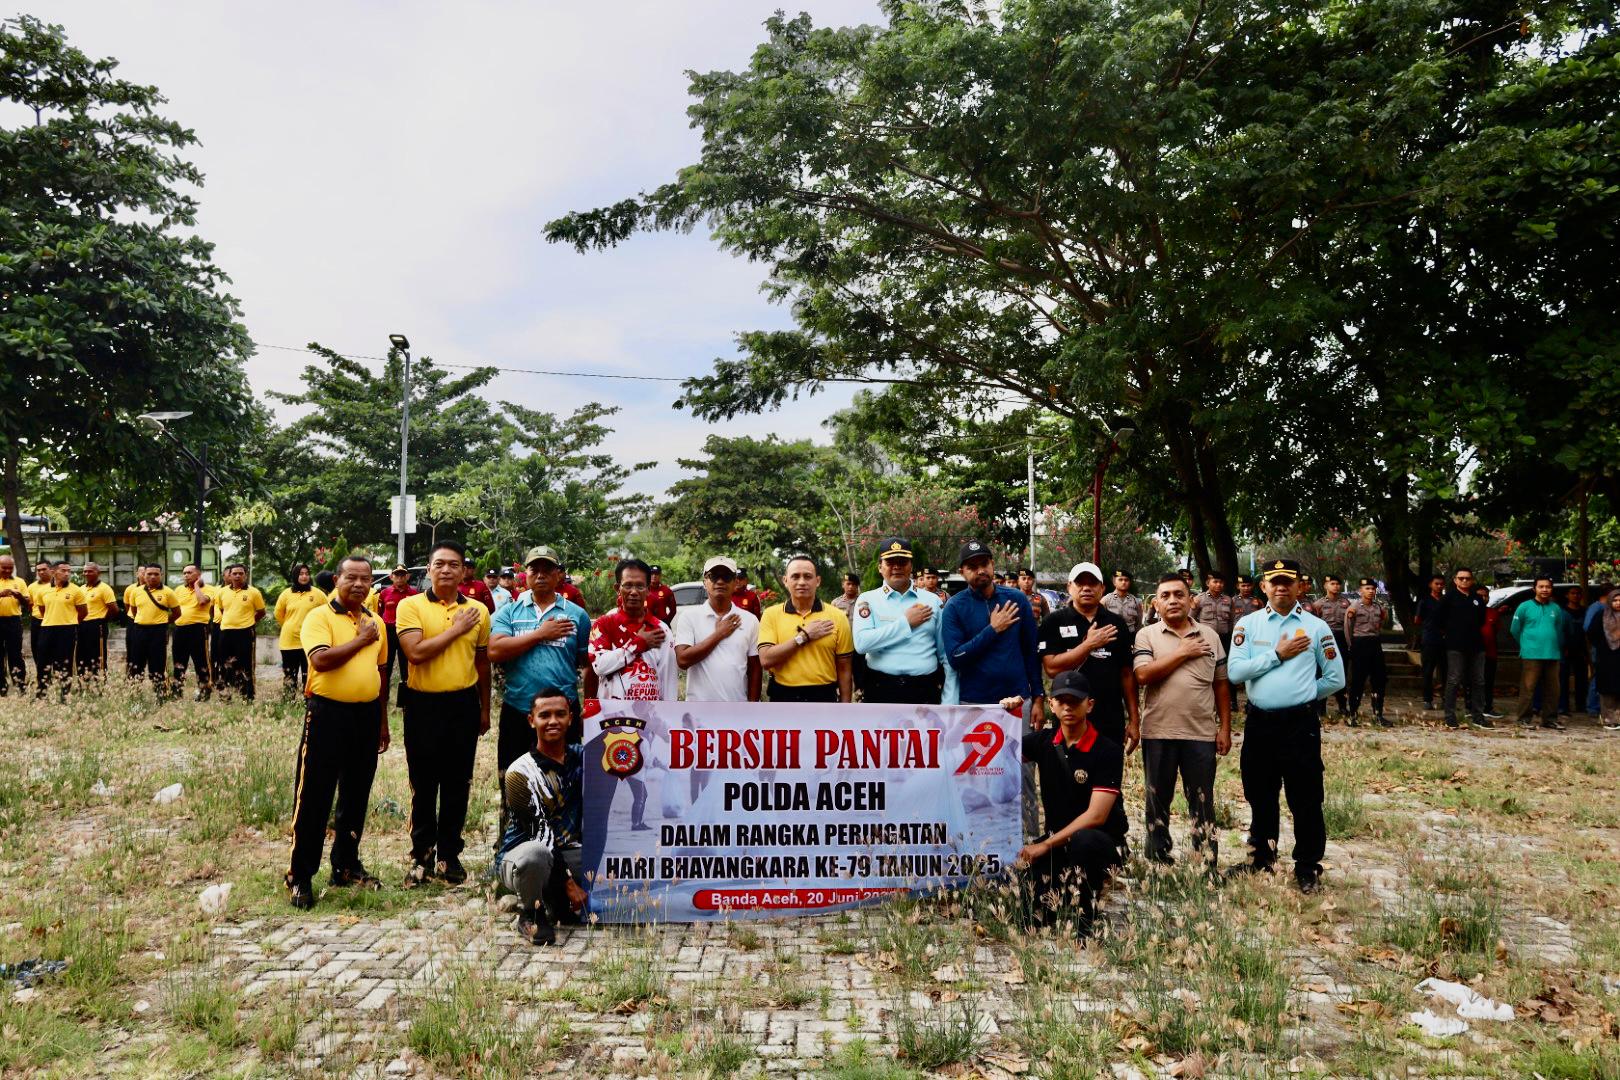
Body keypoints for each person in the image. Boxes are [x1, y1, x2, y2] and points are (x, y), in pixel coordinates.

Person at [1227, 559, 1345, 891]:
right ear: (1263, 586)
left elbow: (1335, 678)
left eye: (1288, 581)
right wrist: (1277, 655)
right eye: (1274, 581)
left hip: (1299, 725)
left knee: (1306, 796)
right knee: (1259, 792)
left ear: (1300, 587)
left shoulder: (1316, 627)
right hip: (1260, 723)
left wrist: (1304, 695)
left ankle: (1307, 866)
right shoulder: (1247, 625)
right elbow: (1236, 673)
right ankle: (1262, 858)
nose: (1281, 587)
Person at [285, 554, 390, 909]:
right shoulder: (319, 617)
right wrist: (360, 639)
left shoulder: (375, 621)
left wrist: (382, 722)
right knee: (314, 796)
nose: (359, 584)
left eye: (366, 579)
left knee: (356, 794)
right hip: (327, 714)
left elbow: (381, 672)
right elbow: (321, 660)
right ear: (336, 580)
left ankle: (346, 865)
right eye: (351, 578)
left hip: (366, 716)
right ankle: (299, 876)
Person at [395, 541, 493, 887]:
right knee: (423, 783)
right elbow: (416, 653)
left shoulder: (479, 610)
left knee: (457, 783)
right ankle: (421, 855)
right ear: (429, 570)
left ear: (464, 570)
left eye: (454, 564)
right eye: (439, 564)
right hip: (422, 704)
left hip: (463, 704)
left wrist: (485, 708)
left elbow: (482, 662)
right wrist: (456, 630)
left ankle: (449, 855)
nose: (447, 570)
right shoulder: (410, 606)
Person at [1013, 671, 1127, 933]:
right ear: (1051, 705)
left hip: (1096, 843)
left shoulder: (1107, 750)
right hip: (1057, 843)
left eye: (1074, 701)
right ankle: (1064, 895)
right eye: (1061, 701)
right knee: (1029, 918)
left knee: (1083, 841)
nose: (1067, 707)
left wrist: (1044, 845)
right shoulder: (1043, 741)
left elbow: (1096, 816)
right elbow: (998, 747)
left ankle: (1087, 916)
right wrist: (1006, 715)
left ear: (1089, 705)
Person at [1130, 574, 1231, 868]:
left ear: (1190, 600)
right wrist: (1183, 652)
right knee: (1157, 799)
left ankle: (1206, 859)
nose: (1172, 600)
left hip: (1200, 733)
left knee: (1202, 800)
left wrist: (1225, 728)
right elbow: (1143, 675)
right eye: (1165, 596)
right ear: (1156, 604)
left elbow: (1221, 685)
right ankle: (1158, 858)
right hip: (1158, 731)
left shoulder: (1210, 636)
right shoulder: (1146, 635)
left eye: (1179, 594)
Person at [489, 545, 592, 833]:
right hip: (519, 709)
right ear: (525, 575)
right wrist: (540, 634)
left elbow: (586, 663)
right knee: (513, 778)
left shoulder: (576, 615)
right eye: (535, 569)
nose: (541, 575)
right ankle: (512, 841)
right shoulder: (509, 612)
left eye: (548, 569)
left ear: (559, 575)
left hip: (563, 712)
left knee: (567, 780)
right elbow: (495, 650)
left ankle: (565, 841)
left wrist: (587, 705)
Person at [496, 688, 587, 946]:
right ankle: (531, 913)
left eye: (560, 714)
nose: (553, 721)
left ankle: (556, 901)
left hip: (569, 852)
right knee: (536, 855)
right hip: (523, 855)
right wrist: (569, 883)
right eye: (544, 715)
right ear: (531, 720)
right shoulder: (519, 772)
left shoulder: (584, 756)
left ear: (571, 718)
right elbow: (540, 834)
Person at [941, 541, 1045, 730]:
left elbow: (1031, 652)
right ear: (962, 572)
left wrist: (1038, 698)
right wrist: (992, 630)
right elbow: (955, 658)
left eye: (984, 564)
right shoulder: (954, 607)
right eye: (972, 567)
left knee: (1024, 751)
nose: (980, 570)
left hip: (1018, 699)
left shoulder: (1016, 599)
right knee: (975, 751)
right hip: (974, 703)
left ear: (992, 564)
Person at [1038, 561, 1136, 747]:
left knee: (1109, 765)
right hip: (1069, 717)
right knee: (1068, 765)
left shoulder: (1116, 623)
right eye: (1080, 583)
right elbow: (1051, 668)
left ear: (1102, 588)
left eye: (1092, 583)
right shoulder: (1054, 622)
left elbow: (1126, 674)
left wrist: (1134, 720)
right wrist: (1089, 645)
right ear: (1069, 587)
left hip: (1109, 718)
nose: (1086, 588)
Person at [852, 538, 944, 705]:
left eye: (902, 562)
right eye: (890, 562)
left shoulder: (933, 601)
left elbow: (944, 654)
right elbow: (862, 643)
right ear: (880, 567)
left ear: (911, 566)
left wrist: (949, 698)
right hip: (881, 689)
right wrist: (906, 623)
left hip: (924, 689)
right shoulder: (867, 600)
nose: (897, 566)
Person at [758, 555, 854, 703]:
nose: (801, 582)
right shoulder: (771, 614)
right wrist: (803, 637)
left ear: (818, 581)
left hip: (824, 697)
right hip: (783, 696)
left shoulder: (837, 616)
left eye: (808, 576)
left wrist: (845, 707)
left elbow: (844, 668)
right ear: (785, 580)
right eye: (795, 576)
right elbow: (765, 659)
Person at [590, 558, 679, 703]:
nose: (633, 592)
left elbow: (668, 680)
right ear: (617, 588)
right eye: (628, 585)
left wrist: (669, 712)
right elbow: (599, 666)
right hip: (611, 713)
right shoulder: (604, 624)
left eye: (640, 586)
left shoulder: (661, 630)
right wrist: (637, 645)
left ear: (648, 590)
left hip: (650, 712)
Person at [674, 556, 761, 703]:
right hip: (698, 708)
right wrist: (719, 634)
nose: (720, 581)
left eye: (726, 577)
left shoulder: (749, 620)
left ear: (735, 582)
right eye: (714, 576)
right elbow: (682, 660)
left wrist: (752, 707)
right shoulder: (689, 617)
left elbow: (755, 669)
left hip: (737, 707)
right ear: (705, 582)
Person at [1433, 568, 1489, 730]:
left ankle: (1478, 715)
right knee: (1454, 679)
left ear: (1472, 580)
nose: (1464, 581)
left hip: (1476, 645)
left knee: (1479, 680)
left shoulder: (1477, 598)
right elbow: (1437, 619)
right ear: (1455, 580)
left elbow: (1481, 620)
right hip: (1455, 645)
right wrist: (1450, 633)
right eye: (1461, 578)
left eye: (1467, 578)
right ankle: (1450, 716)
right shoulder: (1448, 598)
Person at [1511, 576, 1567, 731]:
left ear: (1551, 589)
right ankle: (1523, 719)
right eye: (1541, 586)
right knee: (1528, 688)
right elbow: (1515, 629)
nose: (1544, 589)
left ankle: (1549, 719)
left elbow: (1558, 629)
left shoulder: (1555, 608)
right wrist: (1526, 644)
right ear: (1534, 589)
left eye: (1548, 587)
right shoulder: (1524, 606)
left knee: (1553, 689)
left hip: (1552, 654)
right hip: (1531, 654)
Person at [215, 564, 267, 700]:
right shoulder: (222, 592)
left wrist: (249, 622)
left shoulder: (254, 592)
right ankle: (225, 695)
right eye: (234, 573)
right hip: (226, 632)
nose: (237, 576)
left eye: (240, 573)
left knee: (245, 664)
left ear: (245, 575)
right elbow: (222, 610)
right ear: (230, 575)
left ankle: (247, 696)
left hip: (245, 632)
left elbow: (261, 612)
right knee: (225, 664)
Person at [35, 561, 85, 698]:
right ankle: (41, 693)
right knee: (43, 661)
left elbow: (83, 612)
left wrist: (70, 621)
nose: (67, 573)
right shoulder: (42, 591)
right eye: (63, 570)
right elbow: (42, 610)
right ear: (53, 572)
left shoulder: (76, 590)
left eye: (69, 571)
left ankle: (65, 694)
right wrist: (52, 619)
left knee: (65, 662)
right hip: (47, 628)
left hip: (67, 630)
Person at [1344, 579, 1390, 726]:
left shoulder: (1378, 607)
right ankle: (1352, 714)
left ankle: (1378, 714)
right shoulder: (1354, 608)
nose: (1370, 591)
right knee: (1357, 681)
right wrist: (1351, 647)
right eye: (1367, 588)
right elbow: (1348, 628)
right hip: (1359, 644)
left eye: (1373, 589)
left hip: (1375, 644)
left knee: (1379, 679)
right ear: (1360, 591)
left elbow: (1381, 624)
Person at [275, 564, 327, 696]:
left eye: (306, 574)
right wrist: (290, 625)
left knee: (309, 674)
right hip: (289, 641)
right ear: (295, 576)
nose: (304, 577)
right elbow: (278, 614)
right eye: (301, 574)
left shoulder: (318, 594)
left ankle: (308, 700)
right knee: (289, 674)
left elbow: (327, 613)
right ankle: (289, 699)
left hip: (310, 642)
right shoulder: (286, 594)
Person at [124, 564, 178, 689]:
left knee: (157, 664)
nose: (152, 577)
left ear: (161, 575)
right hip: (139, 631)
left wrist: (163, 622)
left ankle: (160, 693)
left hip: (158, 632)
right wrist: (144, 621)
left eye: (156, 574)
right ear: (144, 575)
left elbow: (177, 613)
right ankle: (134, 692)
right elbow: (134, 611)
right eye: (149, 574)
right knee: (136, 663)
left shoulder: (168, 592)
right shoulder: (136, 591)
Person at [376, 565, 419, 707]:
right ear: (391, 577)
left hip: (406, 632)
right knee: (386, 666)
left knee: (406, 667)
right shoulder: (384, 593)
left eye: (402, 575)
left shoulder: (414, 594)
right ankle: (384, 699)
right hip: (389, 632)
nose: (400, 578)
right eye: (397, 575)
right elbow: (380, 613)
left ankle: (406, 701)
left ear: (407, 576)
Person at [170, 564, 215, 701]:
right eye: (184, 573)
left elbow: (202, 601)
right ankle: (176, 692)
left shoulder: (209, 589)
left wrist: (196, 586)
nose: (186, 575)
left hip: (198, 629)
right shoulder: (178, 590)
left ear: (198, 575)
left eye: (189, 572)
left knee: (201, 662)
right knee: (178, 662)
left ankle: (204, 692)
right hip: (179, 629)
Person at [1311, 576, 1352, 719]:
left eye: (1337, 584)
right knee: (1322, 672)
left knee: (1341, 670)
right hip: (1324, 639)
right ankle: (1320, 708)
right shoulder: (1318, 604)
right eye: (1332, 583)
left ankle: (1342, 706)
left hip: (1341, 639)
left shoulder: (1346, 603)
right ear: (1325, 586)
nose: (1335, 586)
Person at [76, 562, 117, 681]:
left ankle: (99, 683)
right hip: (82, 625)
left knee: (97, 656)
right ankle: (83, 682)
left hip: (97, 626)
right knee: (81, 655)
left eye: (90, 571)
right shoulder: (81, 589)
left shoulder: (104, 588)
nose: (87, 573)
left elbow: (114, 609)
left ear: (98, 573)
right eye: (85, 571)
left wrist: (102, 621)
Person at [1586, 588, 1620, 731]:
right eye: (1615, 600)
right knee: (1607, 688)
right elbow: (1591, 633)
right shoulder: (1601, 615)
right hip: (1606, 657)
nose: (1618, 603)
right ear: (1609, 601)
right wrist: (1603, 645)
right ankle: (1609, 719)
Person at [1414, 575, 1447, 710]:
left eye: (1441, 584)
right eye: (1436, 584)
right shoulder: (1425, 601)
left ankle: (1446, 698)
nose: (1439, 586)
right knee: (1428, 671)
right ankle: (1427, 699)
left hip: (1445, 640)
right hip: (1429, 639)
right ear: (1431, 585)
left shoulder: (1446, 601)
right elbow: (1417, 620)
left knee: (1446, 671)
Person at [0, 555, 27, 694]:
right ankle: (2, 687)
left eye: (10, 568)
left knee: (15, 654)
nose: (7, 570)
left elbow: (27, 603)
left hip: (13, 621)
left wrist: (19, 596)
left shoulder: (19, 582)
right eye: (4, 567)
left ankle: (20, 686)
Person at [1560, 586, 1588, 716]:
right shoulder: (1562, 611)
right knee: (1563, 678)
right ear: (1567, 595)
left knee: (1581, 678)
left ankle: (1581, 705)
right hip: (1565, 649)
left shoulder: (1585, 611)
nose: (1576, 596)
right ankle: (1563, 706)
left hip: (1581, 649)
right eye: (1573, 593)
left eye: (1578, 593)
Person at [1191, 572, 1235, 654]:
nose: (1218, 584)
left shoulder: (1229, 600)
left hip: (1224, 638)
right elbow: (1191, 619)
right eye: (1215, 582)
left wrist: (1231, 633)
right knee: (1208, 659)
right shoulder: (1199, 599)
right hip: (1206, 638)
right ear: (1207, 583)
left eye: (1221, 582)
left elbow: (1232, 620)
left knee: (1224, 659)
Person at [26, 560, 51, 685]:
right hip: (37, 621)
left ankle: (56, 675)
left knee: (51, 650)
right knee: (36, 649)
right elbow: (30, 605)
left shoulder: (56, 585)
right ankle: (43, 677)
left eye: (44, 569)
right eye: (39, 570)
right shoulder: (32, 587)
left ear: (51, 570)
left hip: (52, 621)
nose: (41, 572)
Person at [1101, 570, 1143, 634]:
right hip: (1112, 635)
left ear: (1129, 583)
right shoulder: (1106, 600)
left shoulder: (1135, 601)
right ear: (1114, 582)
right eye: (1120, 580)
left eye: (1126, 580)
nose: (1123, 582)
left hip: (1130, 635)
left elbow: (1138, 623)